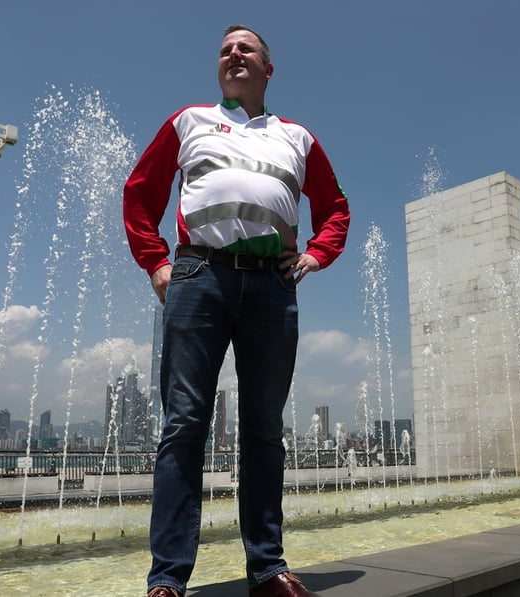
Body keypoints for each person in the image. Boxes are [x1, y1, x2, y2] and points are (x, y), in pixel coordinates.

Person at [123, 24, 351, 597]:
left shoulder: (297, 137)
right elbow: (140, 193)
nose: (233, 55)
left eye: (245, 48)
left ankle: (267, 570)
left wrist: (316, 255)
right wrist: (155, 263)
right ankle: (167, 579)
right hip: (198, 276)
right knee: (184, 425)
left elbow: (334, 208)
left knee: (264, 430)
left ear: (268, 68)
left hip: (273, 286)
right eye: (226, 50)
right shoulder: (189, 121)